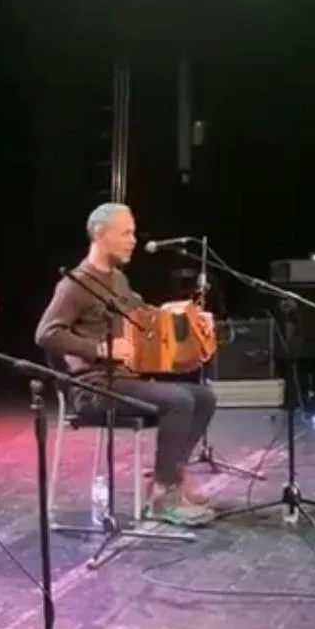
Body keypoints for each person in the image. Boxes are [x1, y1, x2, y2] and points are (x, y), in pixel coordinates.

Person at [35, 202, 218, 527]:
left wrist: (184, 313)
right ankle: (163, 495)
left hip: (122, 381)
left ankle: (168, 476)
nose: (133, 240)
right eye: (126, 233)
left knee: (203, 397)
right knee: (179, 401)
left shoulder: (117, 279)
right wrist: (99, 349)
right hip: (93, 388)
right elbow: (46, 334)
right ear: (100, 234)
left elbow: (143, 311)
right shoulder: (76, 284)